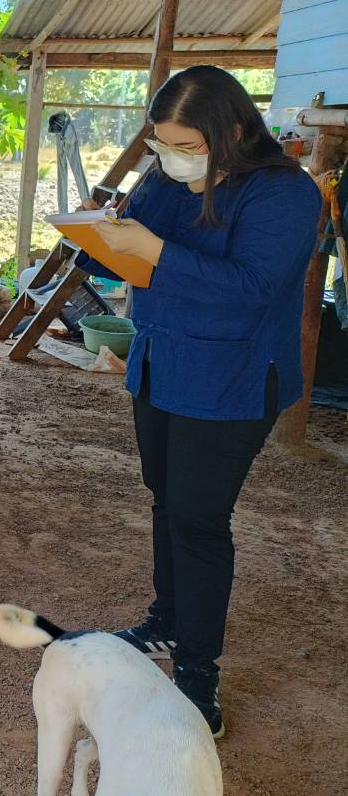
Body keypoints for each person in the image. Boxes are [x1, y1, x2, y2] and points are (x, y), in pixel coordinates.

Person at [78, 65, 320, 738]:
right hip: (162, 362)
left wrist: (151, 247)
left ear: (231, 131)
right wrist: (93, 235)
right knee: (164, 496)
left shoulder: (283, 195)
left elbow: (249, 289)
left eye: (183, 143)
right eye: (160, 141)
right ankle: (166, 622)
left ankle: (197, 673)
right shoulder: (165, 178)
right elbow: (115, 259)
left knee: (198, 519)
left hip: (233, 376)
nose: (168, 155)